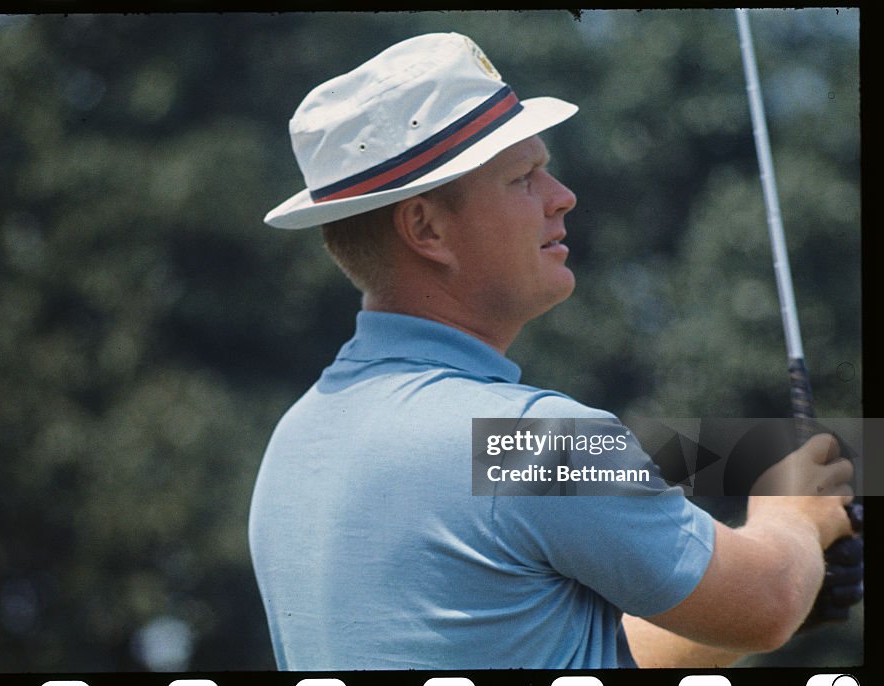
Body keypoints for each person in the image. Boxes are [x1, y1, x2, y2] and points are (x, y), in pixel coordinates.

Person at [248, 32, 859, 670]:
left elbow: (572, 654)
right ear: (427, 228)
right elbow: (767, 602)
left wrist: (778, 583)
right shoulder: (534, 439)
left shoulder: (296, 439)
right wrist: (794, 521)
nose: (561, 196)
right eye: (523, 178)